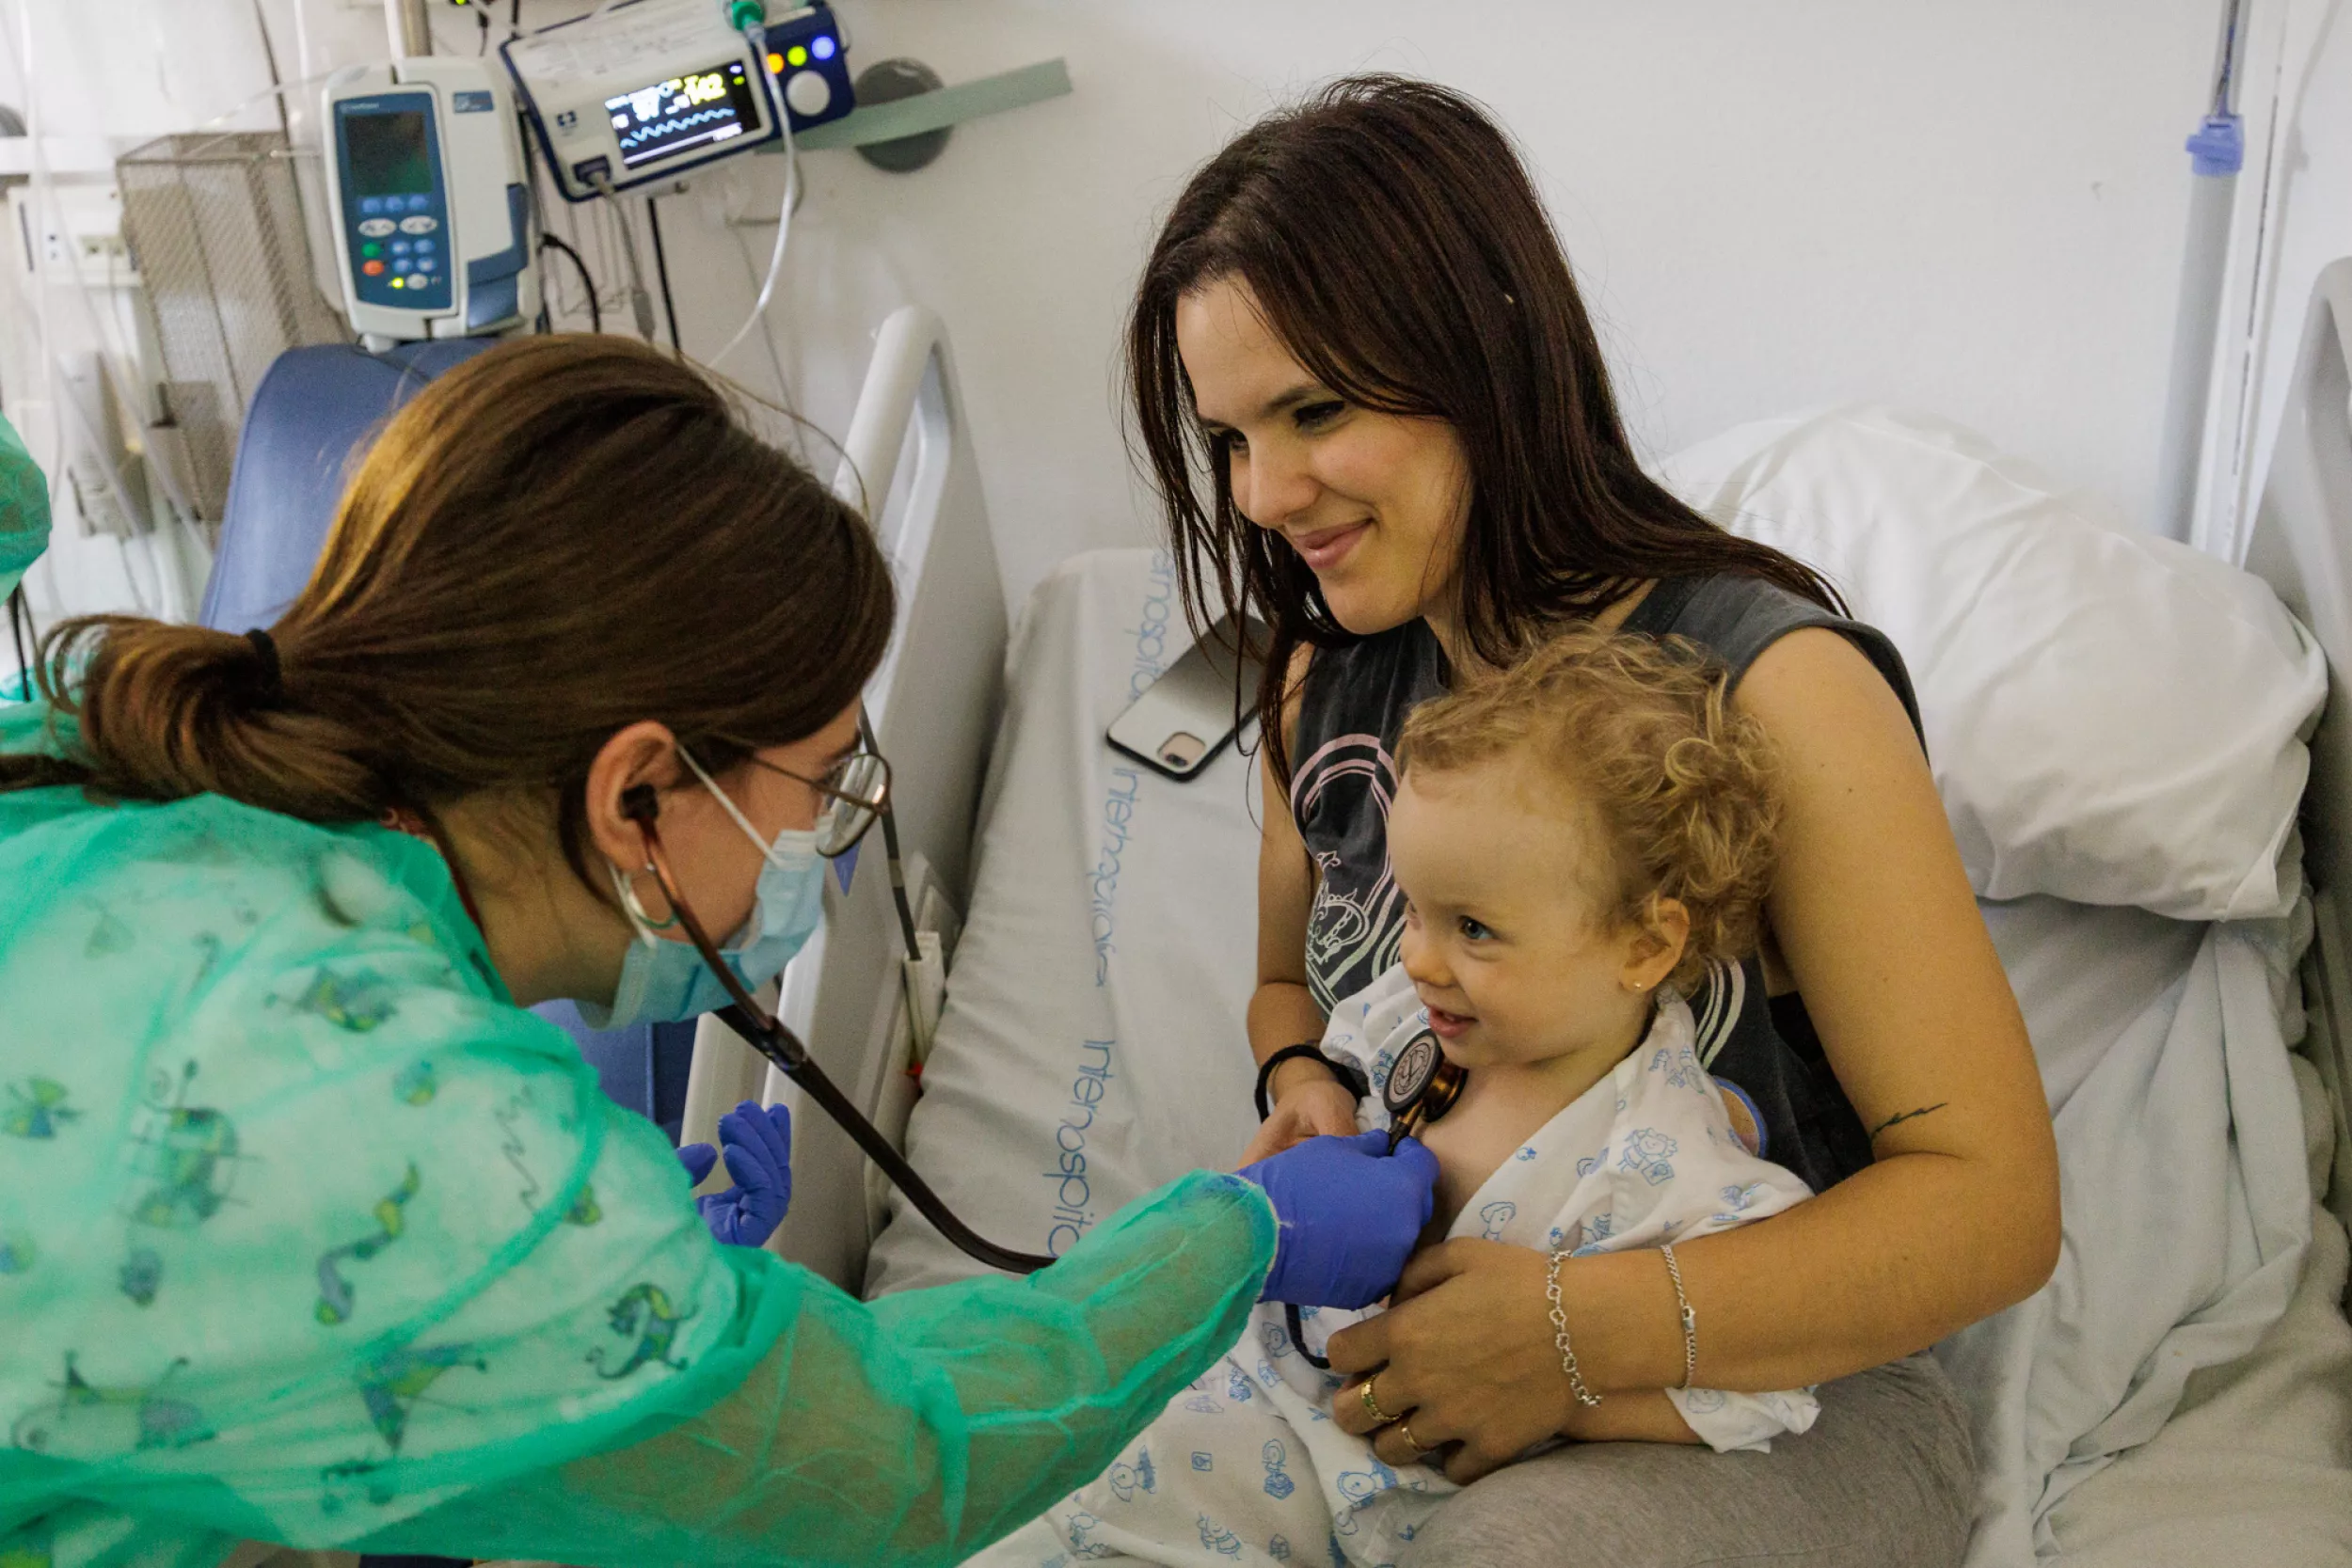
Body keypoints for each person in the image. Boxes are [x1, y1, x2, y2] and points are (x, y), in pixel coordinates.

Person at [0, 335, 1441, 1568]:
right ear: (637, 794)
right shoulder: (412, 1123)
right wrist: (1239, 1231)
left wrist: (588, 1308)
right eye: (822, 779)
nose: (838, 826)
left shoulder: (92, 772)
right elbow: (897, 1465)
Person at [1127, 76, 2060, 1564]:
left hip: (1755, 1387)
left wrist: (1565, 1332)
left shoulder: (1770, 687)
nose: (1265, 491)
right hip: (1391, 1368)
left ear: (1483, 362)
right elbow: (1293, 990)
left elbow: (1992, 1207)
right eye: (1231, 436)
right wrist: (1300, 1077)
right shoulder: (1328, 686)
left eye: (1315, 411)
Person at [984, 628, 1824, 1568]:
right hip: (1192, 1397)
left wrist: (1567, 1389)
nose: (1417, 957)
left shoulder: (1670, 1167)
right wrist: (1309, 1096)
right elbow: (1330, 1065)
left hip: (1317, 1506)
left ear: (1643, 945)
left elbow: (1766, 1387)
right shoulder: (1409, 1018)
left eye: (1472, 926)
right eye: (1415, 910)